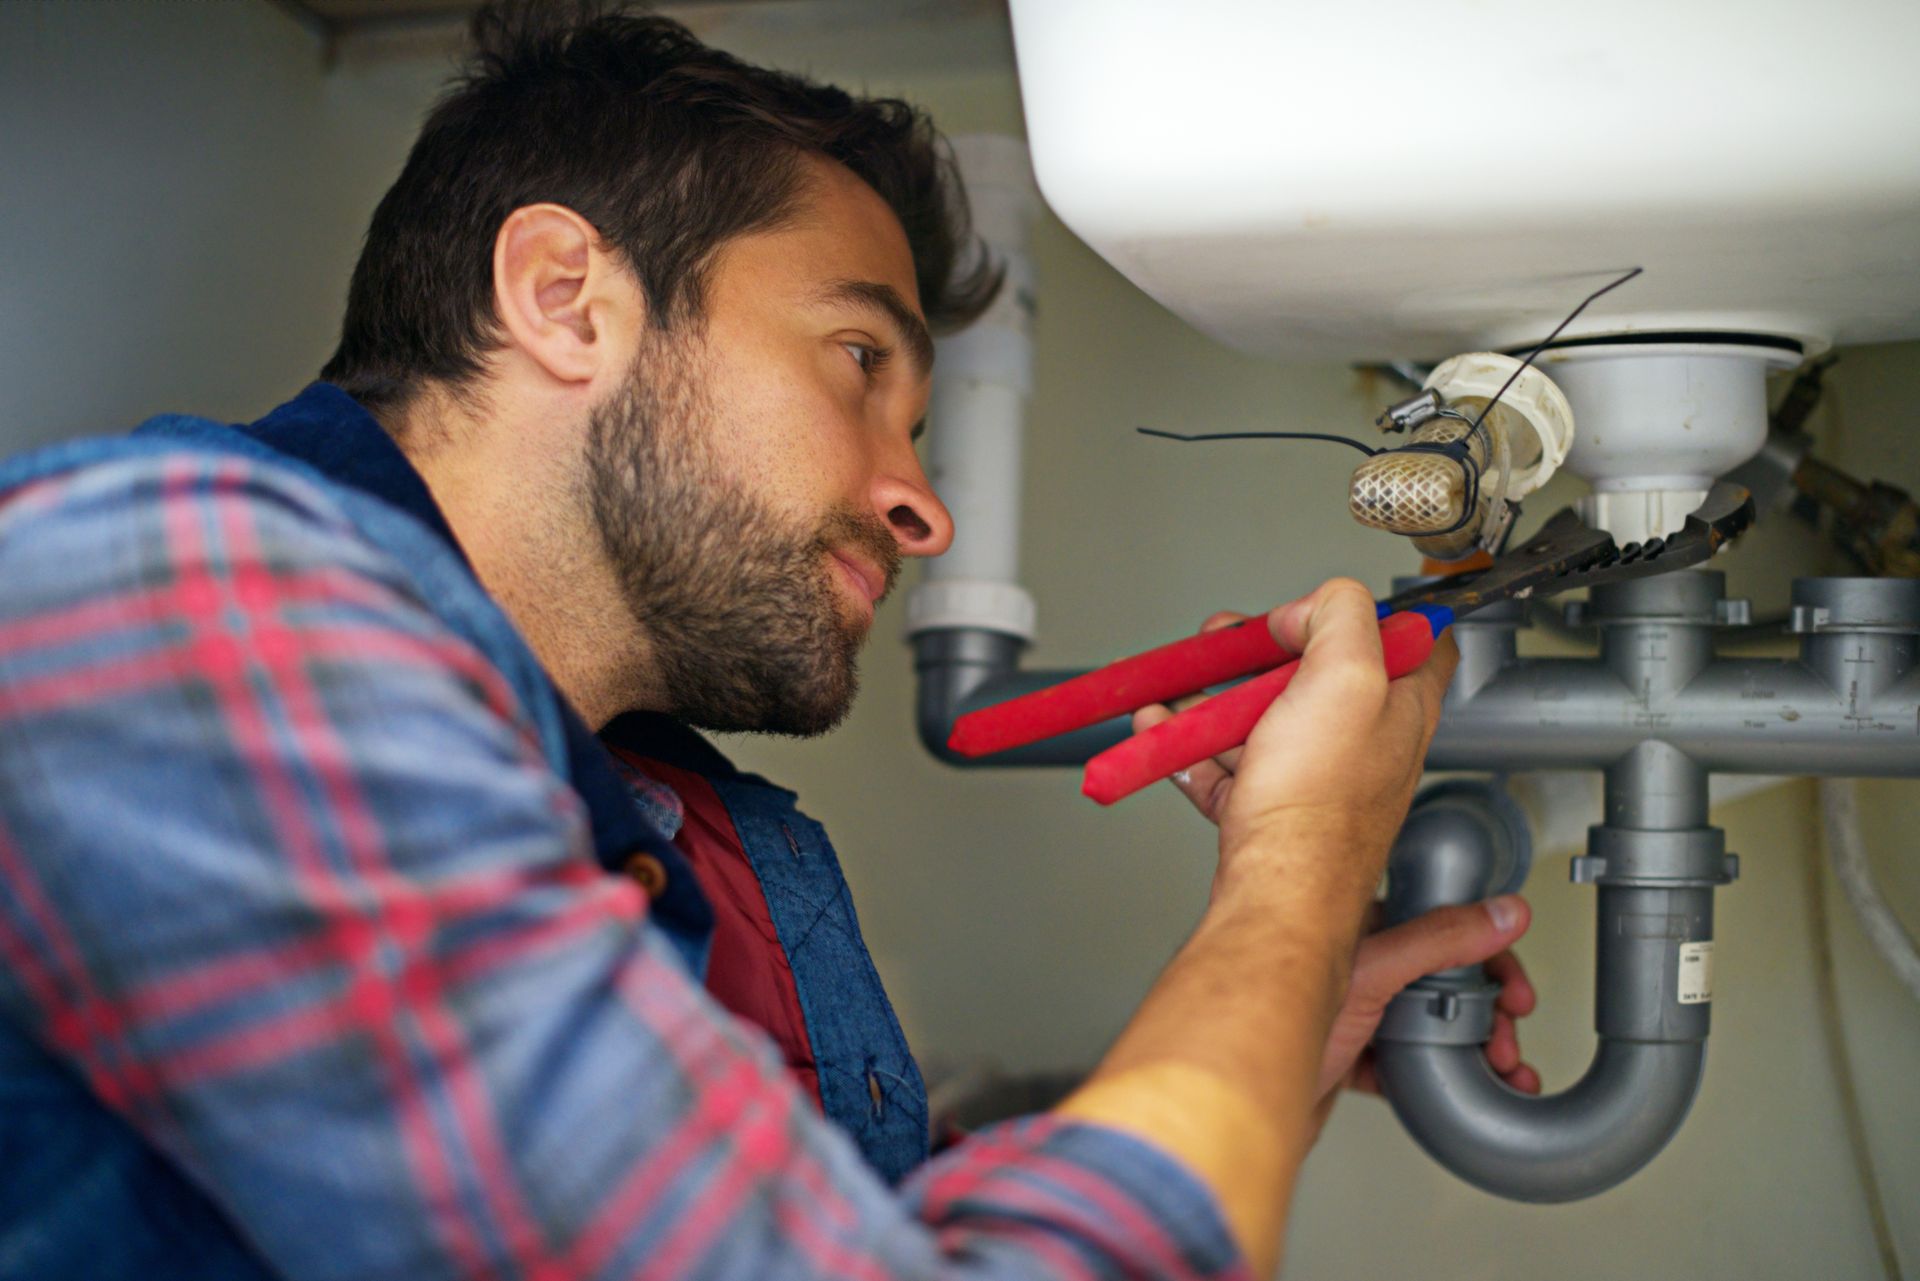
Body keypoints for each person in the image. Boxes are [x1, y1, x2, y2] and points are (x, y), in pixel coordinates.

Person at [0, 4, 1539, 1277]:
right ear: (563, 297)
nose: (921, 503)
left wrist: (1284, 1009)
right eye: (858, 359)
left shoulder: (698, 839)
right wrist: (1296, 874)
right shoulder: (182, 594)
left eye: (922, 422)